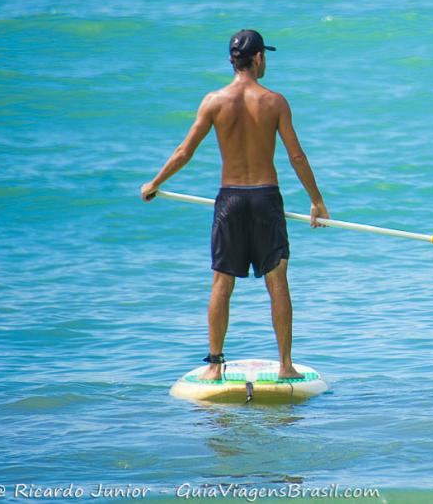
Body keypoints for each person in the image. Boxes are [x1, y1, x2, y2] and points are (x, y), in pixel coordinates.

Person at [140, 29, 329, 381]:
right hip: (265, 198)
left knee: (221, 282)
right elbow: (296, 156)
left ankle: (214, 365)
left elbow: (185, 151)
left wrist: (155, 183)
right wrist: (316, 202)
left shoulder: (214, 101)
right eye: (265, 56)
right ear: (257, 58)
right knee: (277, 281)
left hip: (230, 199)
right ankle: (286, 365)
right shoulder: (274, 102)